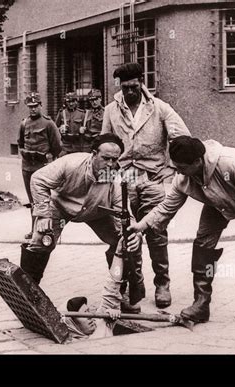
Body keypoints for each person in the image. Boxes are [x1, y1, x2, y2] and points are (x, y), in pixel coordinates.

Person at [129, 136, 235, 323]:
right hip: (217, 203)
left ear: (198, 161)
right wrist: (142, 226)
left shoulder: (230, 164)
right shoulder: (183, 177)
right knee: (202, 244)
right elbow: (167, 207)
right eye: (176, 167)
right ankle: (201, 304)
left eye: (182, 167)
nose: (178, 172)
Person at [101, 62, 191, 310]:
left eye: (134, 86)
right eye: (125, 87)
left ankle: (162, 283)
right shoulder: (111, 110)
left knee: (157, 233)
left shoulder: (160, 108)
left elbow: (182, 138)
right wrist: (108, 178)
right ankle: (133, 284)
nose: (129, 91)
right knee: (128, 233)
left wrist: (170, 172)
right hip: (124, 183)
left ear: (142, 82)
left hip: (153, 179)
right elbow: (104, 144)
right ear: (119, 86)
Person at [21, 133, 144, 309]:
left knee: (123, 242)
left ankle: (119, 293)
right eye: (106, 158)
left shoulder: (116, 178)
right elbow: (38, 179)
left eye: (114, 160)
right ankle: (28, 295)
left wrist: (131, 232)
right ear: (94, 154)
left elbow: (122, 211)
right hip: (60, 206)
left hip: (98, 211)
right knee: (41, 239)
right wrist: (43, 213)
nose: (110, 164)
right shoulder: (70, 163)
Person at [18, 92, 62, 239]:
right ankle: (34, 229)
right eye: (30, 107)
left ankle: (48, 229)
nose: (33, 109)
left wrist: (49, 158)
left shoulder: (49, 124)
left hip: (42, 168)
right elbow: (20, 143)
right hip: (27, 167)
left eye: (35, 106)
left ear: (41, 106)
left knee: (44, 200)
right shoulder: (24, 123)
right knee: (32, 201)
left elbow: (57, 146)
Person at [63, 249, 124, 341]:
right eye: (83, 314)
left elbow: (112, 286)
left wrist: (119, 254)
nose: (90, 316)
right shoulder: (70, 343)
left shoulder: (102, 321)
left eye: (88, 311)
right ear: (73, 323)